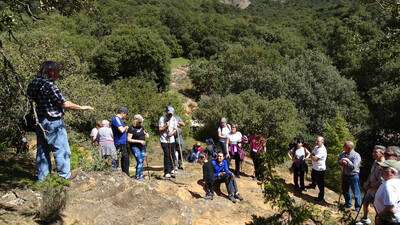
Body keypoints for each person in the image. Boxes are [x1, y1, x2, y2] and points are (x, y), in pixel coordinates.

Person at [27, 61, 94, 181]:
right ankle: (64, 178)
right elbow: (64, 103)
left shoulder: (34, 82)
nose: (58, 74)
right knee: (61, 149)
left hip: (39, 121)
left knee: (42, 151)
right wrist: (82, 107)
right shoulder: (49, 85)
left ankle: (42, 180)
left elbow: (30, 98)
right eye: (57, 71)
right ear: (51, 71)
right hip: (53, 122)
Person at [357, 145, 386, 225]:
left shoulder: (384, 165)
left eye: (375, 152)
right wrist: (367, 182)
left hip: (378, 191)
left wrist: (371, 186)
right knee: (365, 203)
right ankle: (365, 219)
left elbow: (382, 181)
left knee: (378, 209)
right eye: (373, 152)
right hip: (370, 189)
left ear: (382, 154)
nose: (373, 153)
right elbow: (371, 174)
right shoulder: (375, 162)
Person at [373, 160, 400, 225]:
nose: (381, 170)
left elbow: (390, 206)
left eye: (384, 169)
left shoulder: (389, 185)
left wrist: (379, 216)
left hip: (388, 220)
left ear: (393, 172)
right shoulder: (397, 181)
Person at [338, 141, 362, 211]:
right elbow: (339, 160)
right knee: (345, 190)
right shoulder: (343, 153)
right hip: (345, 174)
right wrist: (341, 162)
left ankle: (357, 207)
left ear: (349, 148)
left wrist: (347, 162)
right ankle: (348, 204)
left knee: (356, 191)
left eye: (344, 146)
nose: (343, 147)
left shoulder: (356, 155)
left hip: (353, 175)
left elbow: (354, 166)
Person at [127, 114, 149, 180]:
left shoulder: (142, 127)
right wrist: (139, 141)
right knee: (139, 160)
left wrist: (147, 134)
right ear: (135, 121)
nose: (141, 123)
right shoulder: (131, 128)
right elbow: (128, 139)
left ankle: (140, 175)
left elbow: (145, 133)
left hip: (142, 147)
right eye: (139, 122)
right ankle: (137, 176)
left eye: (141, 122)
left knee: (142, 161)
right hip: (134, 146)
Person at [159, 106, 178, 178]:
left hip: (171, 139)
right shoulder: (162, 118)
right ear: (166, 112)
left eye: (171, 114)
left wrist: (172, 133)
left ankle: (172, 168)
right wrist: (165, 127)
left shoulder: (174, 119)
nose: (170, 115)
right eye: (169, 113)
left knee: (172, 154)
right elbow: (160, 129)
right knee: (167, 154)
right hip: (164, 140)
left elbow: (175, 129)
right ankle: (167, 171)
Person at [307, 136, 327, 203]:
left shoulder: (322, 150)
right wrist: (312, 156)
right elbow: (312, 154)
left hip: (320, 169)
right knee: (313, 177)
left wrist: (312, 156)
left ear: (322, 142)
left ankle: (320, 198)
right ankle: (313, 185)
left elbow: (315, 158)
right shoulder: (316, 147)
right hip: (315, 167)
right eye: (316, 141)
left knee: (321, 184)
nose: (316, 142)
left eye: (318, 141)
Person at [111, 107, 130, 175]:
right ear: (122, 113)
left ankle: (124, 174)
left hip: (122, 142)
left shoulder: (119, 120)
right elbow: (121, 130)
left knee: (124, 159)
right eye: (126, 114)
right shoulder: (116, 118)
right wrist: (126, 127)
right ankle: (125, 175)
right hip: (119, 142)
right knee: (124, 159)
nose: (126, 116)